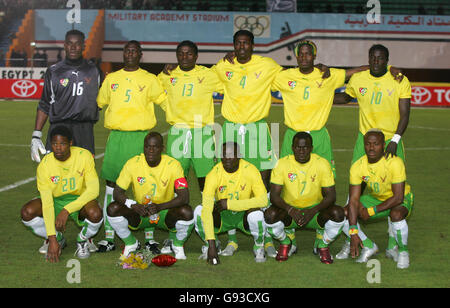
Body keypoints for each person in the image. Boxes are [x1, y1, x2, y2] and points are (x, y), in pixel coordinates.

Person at [96, 40, 166, 253]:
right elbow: (99, 103)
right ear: (123, 54)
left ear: (140, 55)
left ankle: (149, 236)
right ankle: (109, 236)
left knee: (145, 185)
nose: (130, 54)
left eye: (134, 51)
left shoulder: (150, 79)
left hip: (141, 139)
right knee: (111, 185)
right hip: (117, 138)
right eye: (127, 50)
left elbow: (166, 102)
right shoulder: (111, 79)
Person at [157, 40, 223, 254]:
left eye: (189, 54)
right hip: (178, 134)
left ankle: (209, 237)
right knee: (175, 187)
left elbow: (229, 84)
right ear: (177, 56)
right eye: (181, 54)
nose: (184, 57)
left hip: (203, 135)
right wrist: (170, 109)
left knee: (208, 188)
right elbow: (155, 92)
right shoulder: (168, 76)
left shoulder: (209, 74)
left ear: (196, 56)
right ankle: (173, 237)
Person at [21, 126, 103, 263]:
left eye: (62, 144)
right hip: (55, 201)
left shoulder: (84, 156)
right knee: (27, 212)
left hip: (80, 201)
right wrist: (53, 239)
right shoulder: (45, 165)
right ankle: (58, 238)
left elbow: (93, 190)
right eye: (54, 144)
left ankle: (82, 240)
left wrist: (67, 210)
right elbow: (47, 203)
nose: (58, 148)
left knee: (95, 213)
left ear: (70, 143)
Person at [105, 132, 194, 259]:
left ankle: (177, 245)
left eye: (155, 147)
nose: (150, 150)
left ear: (162, 149)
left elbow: (184, 197)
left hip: (164, 212)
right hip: (141, 212)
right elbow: (117, 192)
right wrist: (133, 205)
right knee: (112, 208)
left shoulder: (174, 165)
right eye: (147, 147)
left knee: (187, 211)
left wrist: (160, 207)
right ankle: (131, 243)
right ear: (144, 148)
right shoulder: (132, 163)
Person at [335, 129, 414, 269]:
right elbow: (353, 200)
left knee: (396, 214)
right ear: (364, 145)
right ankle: (368, 246)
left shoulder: (394, 162)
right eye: (368, 144)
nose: (371, 148)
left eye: (376, 144)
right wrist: (353, 231)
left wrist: (371, 211)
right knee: (343, 213)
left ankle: (403, 251)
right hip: (376, 198)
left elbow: (398, 197)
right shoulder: (357, 166)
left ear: (383, 145)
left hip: (400, 199)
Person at [264, 132, 345, 264]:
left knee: (338, 213)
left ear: (311, 148)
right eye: (298, 147)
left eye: (305, 147)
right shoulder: (282, 164)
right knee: (270, 215)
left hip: (315, 213)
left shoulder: (322, 163)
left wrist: (312, 211)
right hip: (290, 213)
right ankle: (286, 242)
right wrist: (290, 210)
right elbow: (274, 196)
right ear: (292, 147)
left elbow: (331, 196)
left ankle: (323, 245)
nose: (301, 151)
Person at [31, 30, 101, 162]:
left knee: (82, 174)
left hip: (84, 130)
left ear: (84, 46)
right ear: (64, 45)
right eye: (70, 43)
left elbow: (101, 101)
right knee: (54, 174)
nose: (73, 47)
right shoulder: (53, 71)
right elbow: (45, 103)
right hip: (58, 128)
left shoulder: (93, 71)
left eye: (77, 44)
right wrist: (36, 134)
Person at [333, 44, 411, 164]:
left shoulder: (399, 80)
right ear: (368, 59)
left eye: (380, 58)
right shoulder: (358, 78)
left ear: (386, 60)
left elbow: (405, 115)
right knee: (358, 179)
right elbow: (345, 98)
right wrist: (322, 97)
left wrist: (395, 140)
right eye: (372, 57)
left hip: (390, 138)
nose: (376, 61)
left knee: (394, 180)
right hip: (365, 138)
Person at [194, 142, 269, 265]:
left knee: (257, 216)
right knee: (198, 211)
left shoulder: (250, 170)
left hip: (243, 216)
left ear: (239, 155)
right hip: (224, 217)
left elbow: (263, 200)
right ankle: (213, 245)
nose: (227, 158)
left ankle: (259, 246)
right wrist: (211, 244)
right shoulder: (213, 174)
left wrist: (229, 204)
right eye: (224, 154)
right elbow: (207, 210)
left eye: (231, 154)